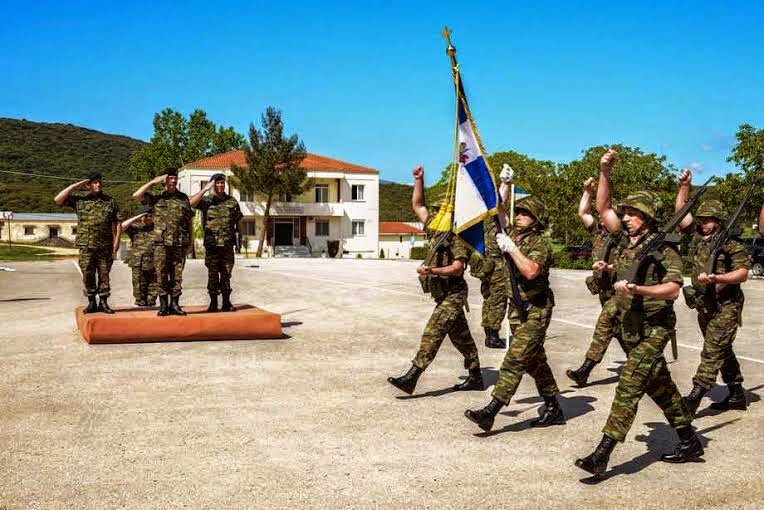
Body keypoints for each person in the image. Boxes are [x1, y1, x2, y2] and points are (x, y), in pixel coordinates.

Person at [575, 160, 702, 477]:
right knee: (662, 389)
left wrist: (639, 288)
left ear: (647, 218)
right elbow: (602, 207)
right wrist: (605, 173)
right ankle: (689, 442)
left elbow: (673, 289)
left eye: (633, 213)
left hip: (654, 330)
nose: (626, 217)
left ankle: (601, 454)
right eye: (626, 212)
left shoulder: (665, 249)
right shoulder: (621, 240)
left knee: (628, 386)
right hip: (629, 328)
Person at [464, 166, 564, 431]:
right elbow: (498, 212)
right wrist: (503, 184)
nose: (519, 216)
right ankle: (553, 407)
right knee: (535, 361)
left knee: (514, 359)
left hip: (536, 308)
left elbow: (531, 271)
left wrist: (512, 250)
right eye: (518, 212)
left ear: (537, 220)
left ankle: (491, 411)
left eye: (525, 214)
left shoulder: (539, 244)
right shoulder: (514, 234)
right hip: (517, 309)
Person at [387, 165, 484, 395]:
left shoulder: (458, 236)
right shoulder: (435, 230)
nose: (436, 213)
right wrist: (419, 180)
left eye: (441, 210)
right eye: (436, 210)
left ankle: (412, 376)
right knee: (461, 337)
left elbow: (458, 268)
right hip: (442, 294)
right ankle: (476, 375)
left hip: (454, 293)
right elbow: (417, 205)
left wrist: (432, 272)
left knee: (434, 331)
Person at [675, 169, 750, 415]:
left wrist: (718, 277)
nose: (703, 223)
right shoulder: (698, 239)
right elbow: (680, 214)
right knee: (721, 349)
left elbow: (742, 273)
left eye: (708, 220)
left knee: (711, 351)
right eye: (701, 219)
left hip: (726, 305)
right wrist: (684, 186)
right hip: (704, 304)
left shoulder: (731, 243)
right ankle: (737, 393)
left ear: (719, 221)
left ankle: (695, 396)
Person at [567, 154, 626, 386]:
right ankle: (644, 362)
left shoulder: (620, 236)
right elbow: (583, 212)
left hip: (618, 288)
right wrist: (587, 192)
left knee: (604, 325)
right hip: (602, 288)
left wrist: (609, 266)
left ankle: (585, 370)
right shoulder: (598, 232)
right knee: (618, 329)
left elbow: (629, 260)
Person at [54, 172, 121, 313]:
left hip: (105, 245)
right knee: (88, 273)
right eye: (95, 182)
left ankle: (103, 302)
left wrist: (117, 241)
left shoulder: (110, 201)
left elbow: (117, 222)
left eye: (100, 182)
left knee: (104, 274)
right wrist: (75, 185)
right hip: (86, 245)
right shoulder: (80, 200)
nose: (98, 184)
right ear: (89, 185)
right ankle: (91, 302)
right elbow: (58, 200)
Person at [132, 168, 193, 316]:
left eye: (174, 178)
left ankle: (175, 305)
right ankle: (164, 305)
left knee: (177, 276)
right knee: (161, 275)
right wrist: (153, 181)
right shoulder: (156, 198)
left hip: (179, 243)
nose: (173, 180)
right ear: (165, 180)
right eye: (170, 178)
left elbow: (189, 221)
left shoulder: (183, 198)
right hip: (161, 244)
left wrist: (190, 241)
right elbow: (136, 196)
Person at [190, 173, 243, 312]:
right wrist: (204, 189)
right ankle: (213, 303)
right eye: (217, 183)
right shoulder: (206, 201)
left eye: (222, 183)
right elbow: (191, 203)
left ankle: (226, 302)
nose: (220, 185)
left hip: (227, 244)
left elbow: (239, 221)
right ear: (213, 185)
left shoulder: (232, 201)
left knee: (226, 274)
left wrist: (240, 238)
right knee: (213, 274)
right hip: (212, 245)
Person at [469, 217, 509, 349]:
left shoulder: (483, 229)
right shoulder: (499, 230)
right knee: (498, 304)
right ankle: (493, 337)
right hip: (498, 272)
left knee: (488, 302)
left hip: (486, 271)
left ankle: (489, 335)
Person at [121, 206, 159, 307]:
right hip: (138, 264)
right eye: (145, 216)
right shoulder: (135, 228)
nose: (148, 218)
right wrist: (137, 216)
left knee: (152, 296)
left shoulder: (158, 228)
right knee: (139, 295)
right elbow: (121, 226)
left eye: (150, 216)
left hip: (154, 265)